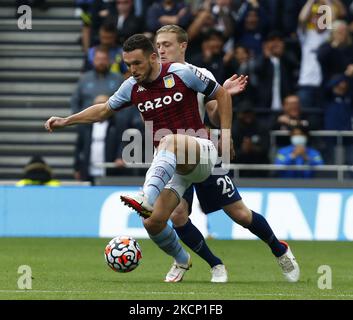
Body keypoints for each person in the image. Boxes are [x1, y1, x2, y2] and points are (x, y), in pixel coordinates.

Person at [44, 34, 233, 283]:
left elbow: (222, 94)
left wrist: (227, 136)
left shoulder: (180, 72)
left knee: (170, 141)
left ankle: (146, 196)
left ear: (153, 57)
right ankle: (182, 260)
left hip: (200, 151)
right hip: (172, 164)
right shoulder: (132, 87)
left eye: (137, 64)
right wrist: (66, 120)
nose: (132, 70)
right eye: (128, 65)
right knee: (152, 224)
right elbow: (102, 110)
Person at [154, 25, 299, 283]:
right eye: (159, 45)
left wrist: (223, 98)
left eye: (167, 44)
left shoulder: (198, 75)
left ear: (183, 46)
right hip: (173, 159)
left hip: (202, 154)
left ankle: (280, 249)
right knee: (177, 215)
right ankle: (214, 265)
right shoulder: (152, 79)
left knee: (240, 215)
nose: (162, 49)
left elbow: (211, 112)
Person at [71, 47, 124, 114]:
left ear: (109, 61)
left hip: (114, 120)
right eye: (98, 59)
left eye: (104, 59)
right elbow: (75, 101)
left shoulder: (119, 78)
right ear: (93, 61)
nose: (101, 62)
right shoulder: (84, 78)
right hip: (88, 120)